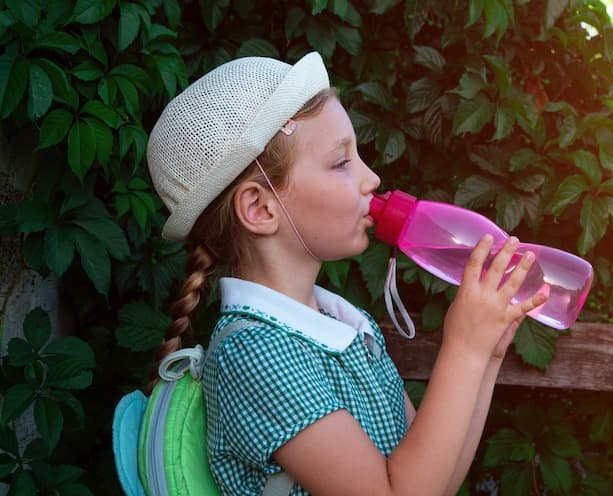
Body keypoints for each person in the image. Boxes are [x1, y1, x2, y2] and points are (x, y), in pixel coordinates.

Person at [145, 51, 548, 496]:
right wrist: (464, 349)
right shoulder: (254, 354)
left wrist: (485, 358)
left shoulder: (343, 323)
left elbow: (437, 481)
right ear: (260, 208)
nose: (371, 179)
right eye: (342, 163)